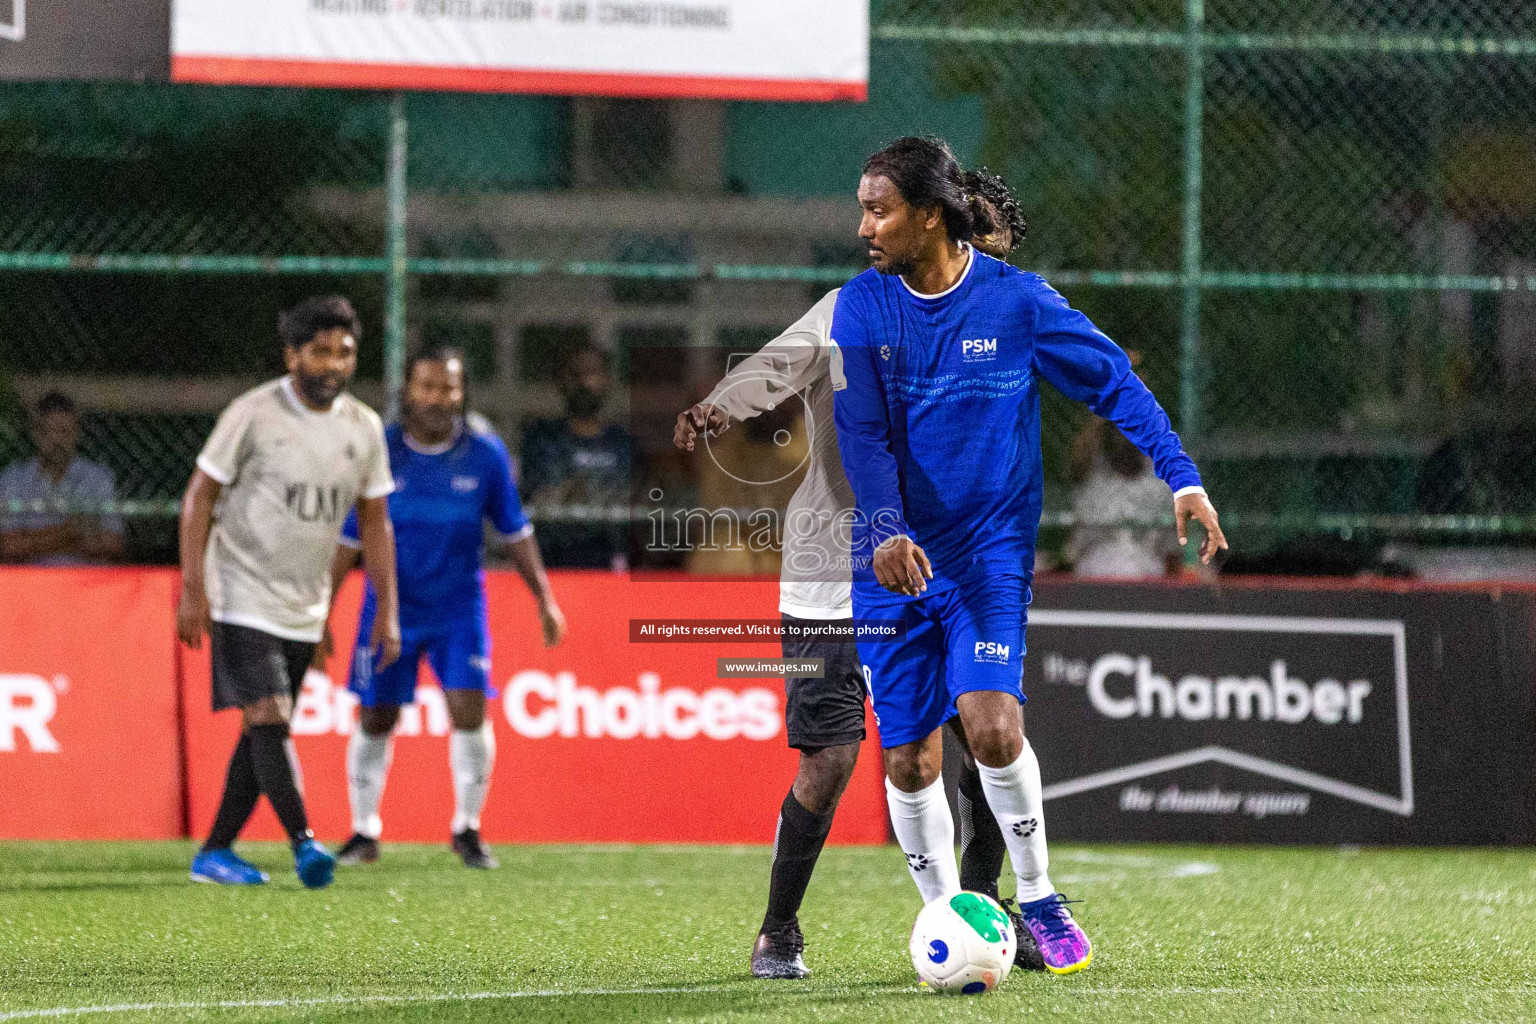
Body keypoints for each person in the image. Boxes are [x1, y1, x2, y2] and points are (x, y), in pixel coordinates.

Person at [831, 137, 1226, 975]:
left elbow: (1115, 380)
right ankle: (949, 918)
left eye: (879, 208)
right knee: (907, 755)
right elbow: (861, 438)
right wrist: (889, 531)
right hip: (891, 557)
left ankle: (1041, 895)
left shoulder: (1017, 303)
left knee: (993, 727)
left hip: (985, 558)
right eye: (863, 207)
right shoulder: (861, 308)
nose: (862, 224)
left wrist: (1181, 479)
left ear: (929, 216)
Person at [673, 171, 1044, 980]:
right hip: (827, 578)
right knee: (831, 758)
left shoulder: (994, 319)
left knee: (979, 733)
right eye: (974, 251)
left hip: (942, 568)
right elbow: (778, 364)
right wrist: (721, 406)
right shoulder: (858, 308)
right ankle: (778, 928)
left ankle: (981, 913)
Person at [177, 296, 400, 889]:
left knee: (263, 732)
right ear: (292, 355)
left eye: (344, 353)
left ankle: (215, 852)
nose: (333, 364)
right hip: (240, 589)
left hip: (303, 605)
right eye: (320, 351)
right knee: (269, 718)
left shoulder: (364, 429)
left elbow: (375, 524)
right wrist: (193, 586)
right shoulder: (254, 413)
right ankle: (304, 844)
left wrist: (387, 612)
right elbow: (200, 497)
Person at [327, 345, 568, 870]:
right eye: (429, 386)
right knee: (376, 715)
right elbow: (350, 538)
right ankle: (363, 832)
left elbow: (514, 531)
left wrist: (544, 599)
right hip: (389, 605)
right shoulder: (380, 449)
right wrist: (323, 610)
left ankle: (467, 828)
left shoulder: (485, 454)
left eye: (450, 388)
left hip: (458, 607)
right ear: (408, 391)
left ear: (463, 394)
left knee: (469, 708)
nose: (439, 398)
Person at [519, 344, 631, 570]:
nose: (584, 382)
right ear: (561, 381)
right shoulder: (541, 439)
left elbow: (637, 502)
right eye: (575, 374)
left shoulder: (623, 443)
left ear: (607, 380)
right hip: (553, 564)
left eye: (592, 373)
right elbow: (536, 497)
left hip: (610, 564)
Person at [0, 392, 124, 565]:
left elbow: (112, 544)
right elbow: (9, 546)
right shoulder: (13, 479)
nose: (57, 440)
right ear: (36, 434)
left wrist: (34, 540)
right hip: (32, 583)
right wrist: (73, 532)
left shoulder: (98, 478)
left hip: (85, 582)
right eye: (49, 432)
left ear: (76, 434)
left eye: (64, 432)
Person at [1067, 421, 1184, 577]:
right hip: (1097, 563)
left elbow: (1172, 553)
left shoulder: (1161, 483)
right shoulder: (1093, 476)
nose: (1124, 439)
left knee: (1138, 567)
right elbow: (1078, 456)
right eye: (1118, 432)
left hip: (1145, 564)